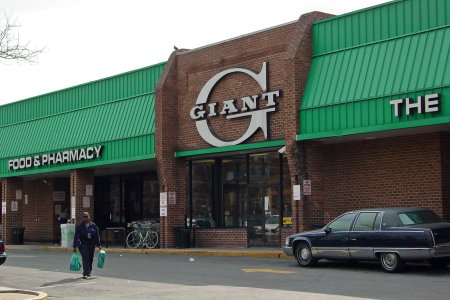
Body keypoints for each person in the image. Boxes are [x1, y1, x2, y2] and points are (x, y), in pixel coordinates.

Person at [72, 212, 102, 279]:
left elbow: (96, 236)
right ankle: (85, 273)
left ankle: (89, 271)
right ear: (82, 218)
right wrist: (74, 246)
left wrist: (98, 245)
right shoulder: (79, 226)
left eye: (86, 216)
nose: (85, 218)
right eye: (84, 217)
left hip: (91, 244)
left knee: (90, 258)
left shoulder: (93, 226)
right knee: (85, 257)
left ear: (89, 217)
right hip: (83, 244)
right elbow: (76, 237)